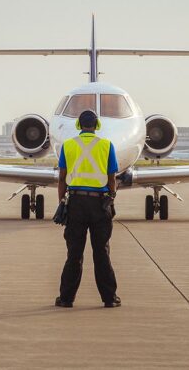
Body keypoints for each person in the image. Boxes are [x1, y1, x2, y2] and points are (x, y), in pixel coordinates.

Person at [55, 109, 120, 308]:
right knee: (102, 252)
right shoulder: (107, 146)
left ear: (78, 125)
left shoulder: (68, 146)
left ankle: (66, 299)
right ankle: (109, 298)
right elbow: (112, 179)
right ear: (97, 125)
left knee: (74, 253)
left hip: (76, 204)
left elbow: (62, 178)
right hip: (100, 205)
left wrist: (62, 203)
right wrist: (111, 199)